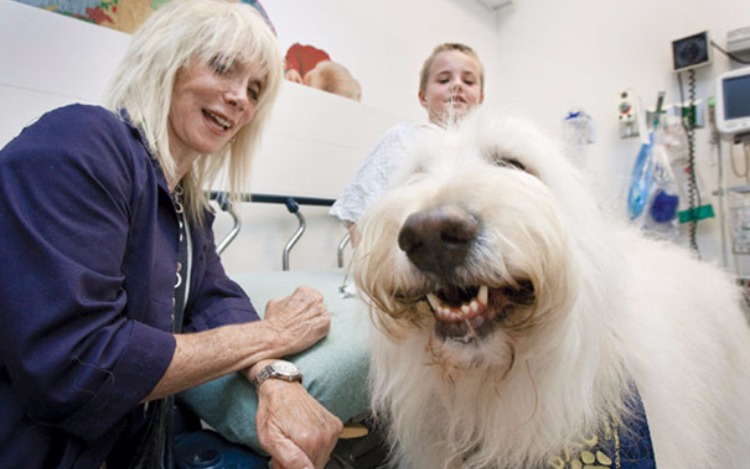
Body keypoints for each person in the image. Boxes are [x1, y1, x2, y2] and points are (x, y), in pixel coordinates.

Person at [0, 1, 342, 468]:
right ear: (166, 57)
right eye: (223, 67)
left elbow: (213, 299)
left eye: (255, 89)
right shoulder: (82, 141)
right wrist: (274, 332)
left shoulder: (187, 205)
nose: (241, 98)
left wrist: (273, 376)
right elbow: (78, 365)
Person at [329, 43, 485, 245]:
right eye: (444, 79)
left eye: (469, 81)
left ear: (480, 98)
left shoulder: (485, 152)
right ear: (423, 97)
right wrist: (371, 269)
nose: (457, 85)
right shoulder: (402, 140)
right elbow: (359, 212)